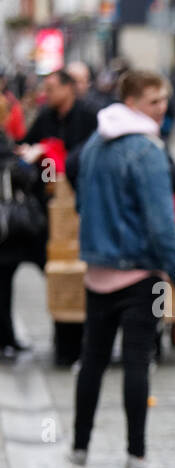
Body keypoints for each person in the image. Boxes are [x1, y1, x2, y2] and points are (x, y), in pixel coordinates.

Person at [68, 70, 175, 468]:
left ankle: (79, 451)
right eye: (156, 101)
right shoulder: (146, 149)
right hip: (139, 271)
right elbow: (162, 224)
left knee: (93, 362)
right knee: (138, 363)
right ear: (134, 100)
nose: (163, 109)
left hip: (98, 270)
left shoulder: (94, 144)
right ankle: (136, 457)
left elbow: (82, 202)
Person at [21, 69, 100, 366]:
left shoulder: (90, 115)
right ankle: (66, 345)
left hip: (85, 209)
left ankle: (84, 344)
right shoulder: (46, 116)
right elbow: (27, 145)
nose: (47, 93)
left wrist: (65, 160)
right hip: (53, 213)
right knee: (60, 278)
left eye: (52, 87)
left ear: (70, 89)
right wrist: (40, 154)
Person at [0, 96, 46, 356]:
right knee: (4, 282)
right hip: (7, 226)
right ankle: (6, 338)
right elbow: (21, 177)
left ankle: (7, 337)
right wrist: (28, 162)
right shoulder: (2, 142)